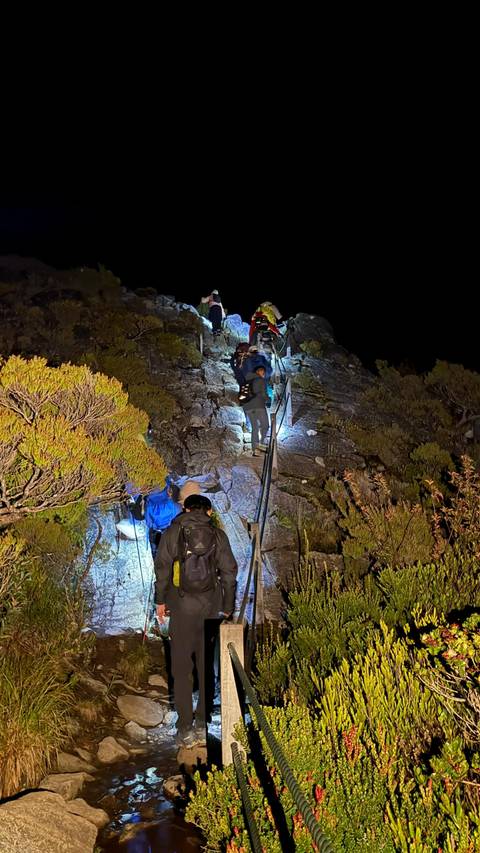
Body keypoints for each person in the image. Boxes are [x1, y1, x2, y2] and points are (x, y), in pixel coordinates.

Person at [154, 494, 238, 747]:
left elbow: (162, 568)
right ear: (209, 512)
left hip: (180, 606)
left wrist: (160, 601)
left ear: (185, 508)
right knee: (205, 664)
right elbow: (229, 573)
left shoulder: (173, 532)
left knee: (181, 668)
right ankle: (203, 723)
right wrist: (227, 607)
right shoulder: (218, 536)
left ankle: (184, 728)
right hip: (210, 606)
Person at [144, 480, 182, 557]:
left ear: (170, 492)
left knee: (156, 551)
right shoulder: (178, 507)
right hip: (167, 532)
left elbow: (150, 517)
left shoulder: (165, 504)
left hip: (156, 531)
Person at [241, 365, 270, 456]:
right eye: (263, 372)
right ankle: (261, 446)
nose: (264, 374)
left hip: (249, 407)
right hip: (258, 406)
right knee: (265, 426)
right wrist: (268, 399)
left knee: (255, 427)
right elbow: (263, 394)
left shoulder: (247, 379)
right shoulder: (260, 380)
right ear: (259, 371)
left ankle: (255, 450)